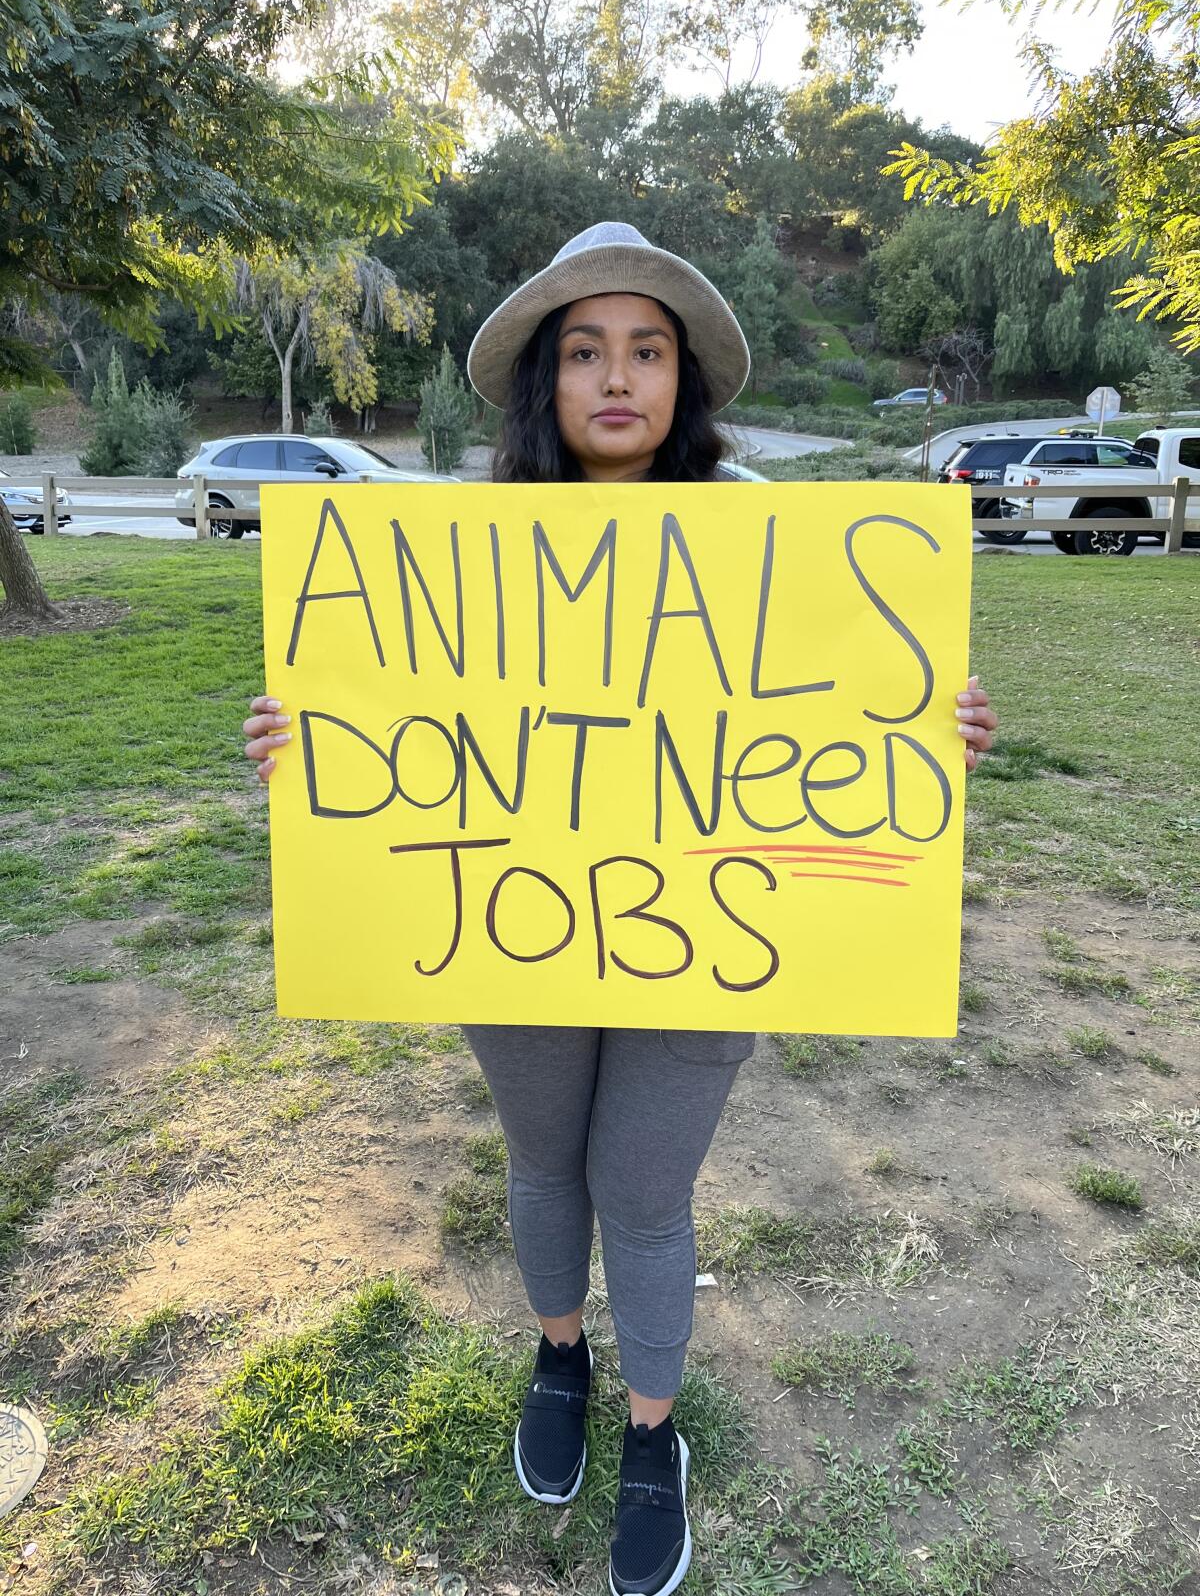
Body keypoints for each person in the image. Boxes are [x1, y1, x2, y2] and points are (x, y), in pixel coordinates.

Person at [242, 221, 998, 1596]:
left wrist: (929, 736)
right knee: (545, 1162)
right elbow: (380, 715)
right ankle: (556, 1353)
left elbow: (850, 712)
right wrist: (307, 748)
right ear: (546, 380)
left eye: (647, 351)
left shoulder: (774, 541)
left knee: (641, 1192)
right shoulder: (460, 545)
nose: (616, 377)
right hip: (511, 921)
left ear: (683, 381)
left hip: (710, 933)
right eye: (584, 349)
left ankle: (653, 1437)